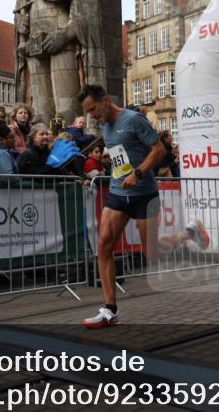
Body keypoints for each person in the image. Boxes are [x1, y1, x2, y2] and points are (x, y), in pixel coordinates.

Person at [78, 84, 209, 328]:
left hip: (144, 194)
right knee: (104, 243)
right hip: (119, 192)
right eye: (87, 112)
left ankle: (190, 231)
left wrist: (138, 172)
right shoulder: (105, 127)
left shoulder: (134, 120)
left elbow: (158, 150)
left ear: (105, 100)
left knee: (152, 253)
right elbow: (120, 156)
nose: (91, 116)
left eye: (93, 109)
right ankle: (110, 310)